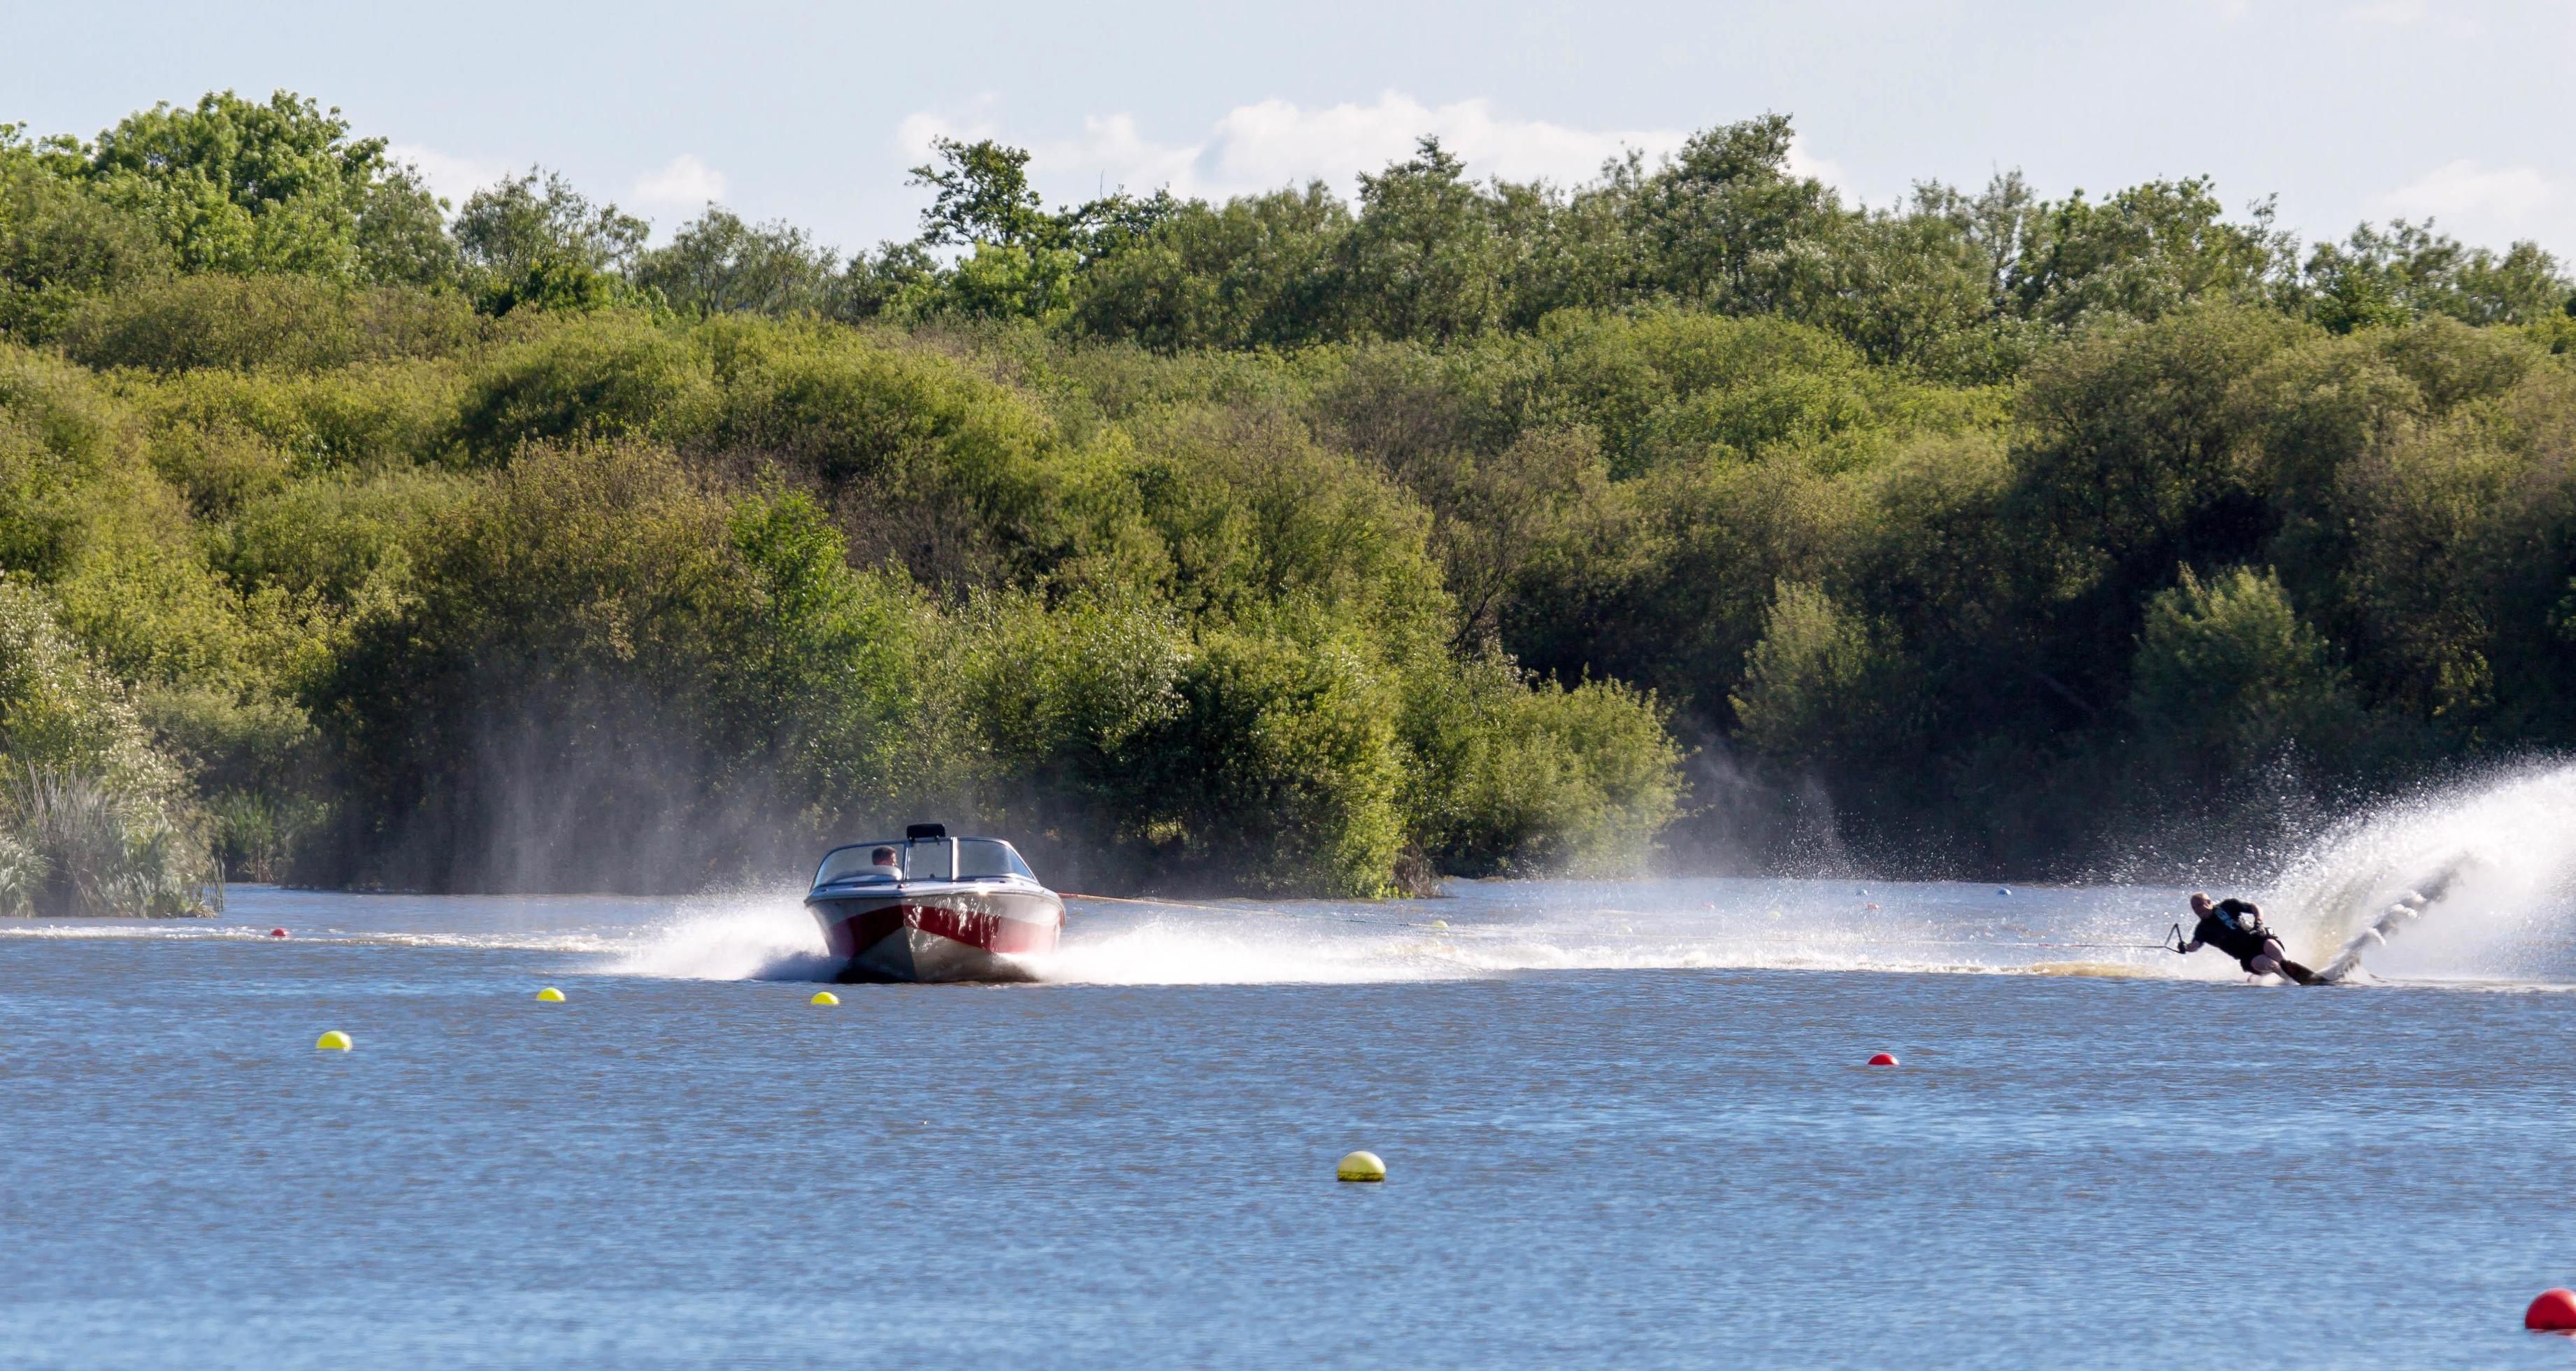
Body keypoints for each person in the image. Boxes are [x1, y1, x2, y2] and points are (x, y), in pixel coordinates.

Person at [2176, 892, 2318, 984]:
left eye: (2200, 905)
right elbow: (2195, 945)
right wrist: (2185, 947)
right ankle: (2292, 980)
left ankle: (2295, 970)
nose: (2197, 910)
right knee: (2270, 964)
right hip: (2248, 957)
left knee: (2277, 954)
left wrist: (2259, 922)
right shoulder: (2202, 929)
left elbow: (2255, 908)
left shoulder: (2228, 906)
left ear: (2209, 902)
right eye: (2194, 908)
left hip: (2258, 938)